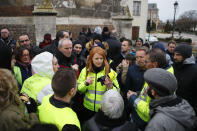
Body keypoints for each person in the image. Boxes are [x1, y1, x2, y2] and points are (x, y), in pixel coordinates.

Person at [127, 48, 174, 129]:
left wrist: (133, 99)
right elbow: (148, 94)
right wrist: (138, 93)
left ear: (155, 64)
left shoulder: (160, 83)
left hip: (145, 121)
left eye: (146, 62)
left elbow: (152, 110)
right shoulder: (156, 74)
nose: (144, 64)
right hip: (140, 115)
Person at [78, 47, 120, 122]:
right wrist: (86, 83)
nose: (99, 61)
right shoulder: (85, 71)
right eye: (96, 58)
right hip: (87, 109)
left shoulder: (110, 71)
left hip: (103, 109)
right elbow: (79, 90)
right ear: (91, 59)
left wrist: (110, 87)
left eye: (101, 58)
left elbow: (117, 92)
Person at [173, 43, 197, 114]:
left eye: (178, 55)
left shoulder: (195, 71)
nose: (174, 57)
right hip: (172, 108)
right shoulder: (173, 67)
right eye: (174, 54)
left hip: (188, 112)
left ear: (186, 55)